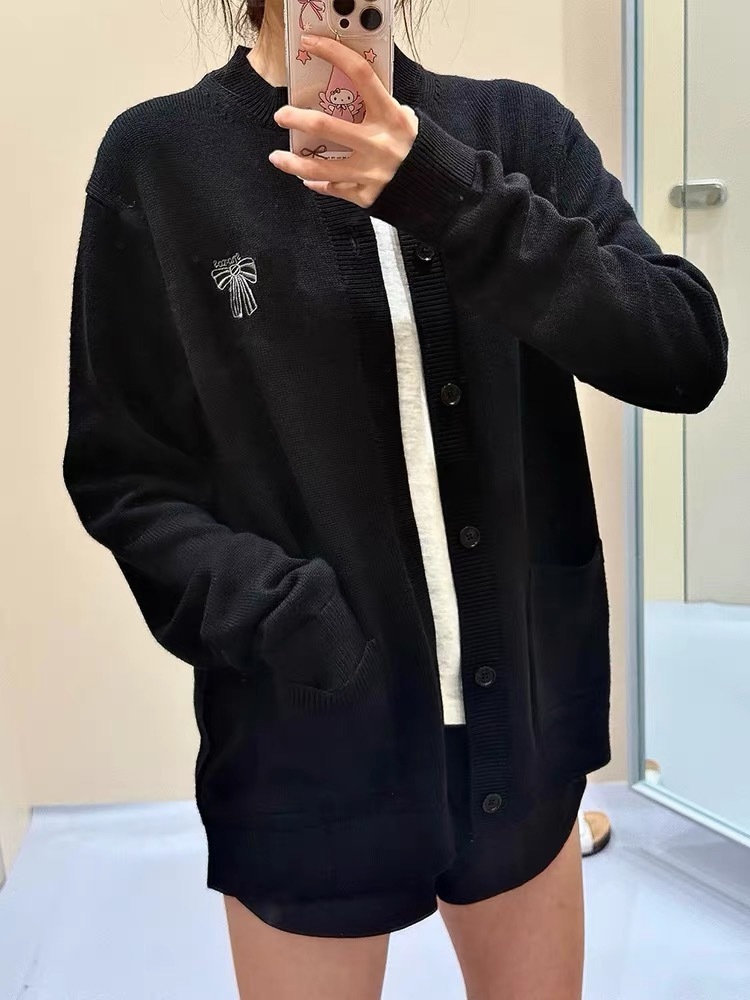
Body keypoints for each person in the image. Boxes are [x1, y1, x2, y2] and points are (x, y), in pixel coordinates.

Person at [62, 1, 727, 997]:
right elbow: (124, 473)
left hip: (522, 730)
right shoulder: (160, 162)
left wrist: (439, 188)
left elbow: (683, 348)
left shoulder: (512, 131)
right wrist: (292, 621)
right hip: (308, 735)